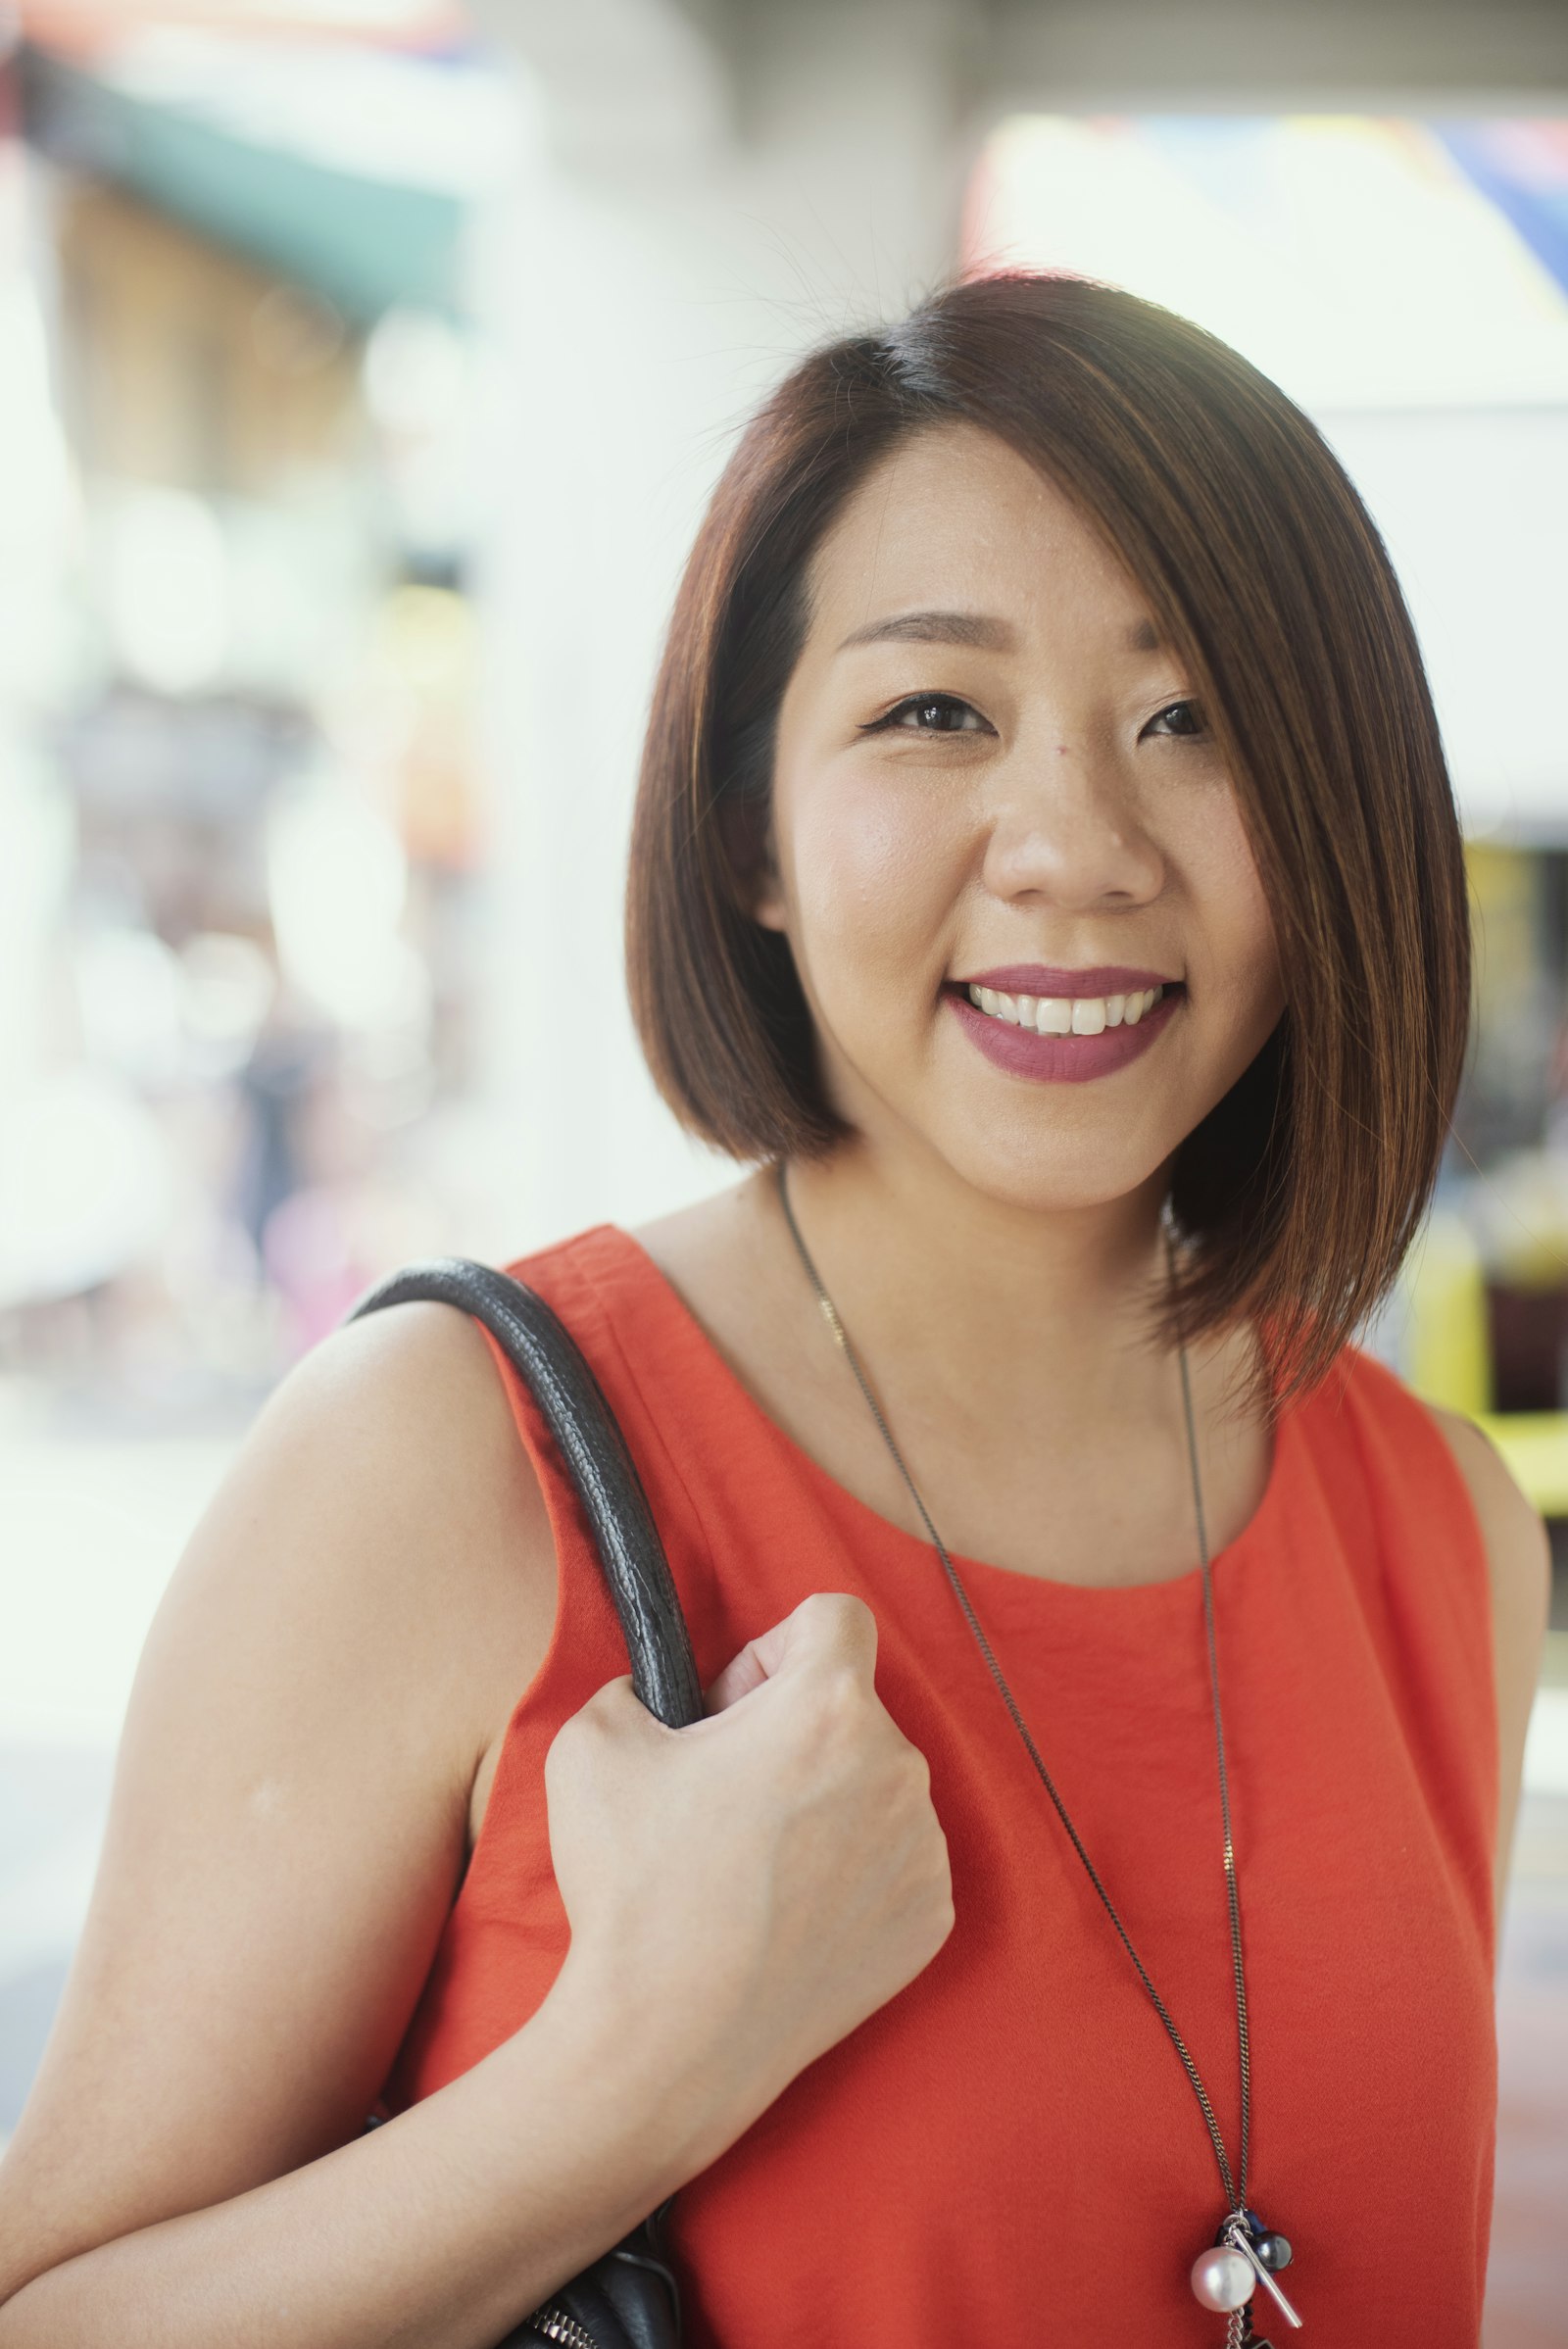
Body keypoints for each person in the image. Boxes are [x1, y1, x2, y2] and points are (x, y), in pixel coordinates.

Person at [0, 270, 1549, 2347]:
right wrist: (625, 2069)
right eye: (934, 711)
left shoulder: (1440, 1532)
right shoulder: (451, 1454)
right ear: (749, 829)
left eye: (1193, 717)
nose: (1072, 846)